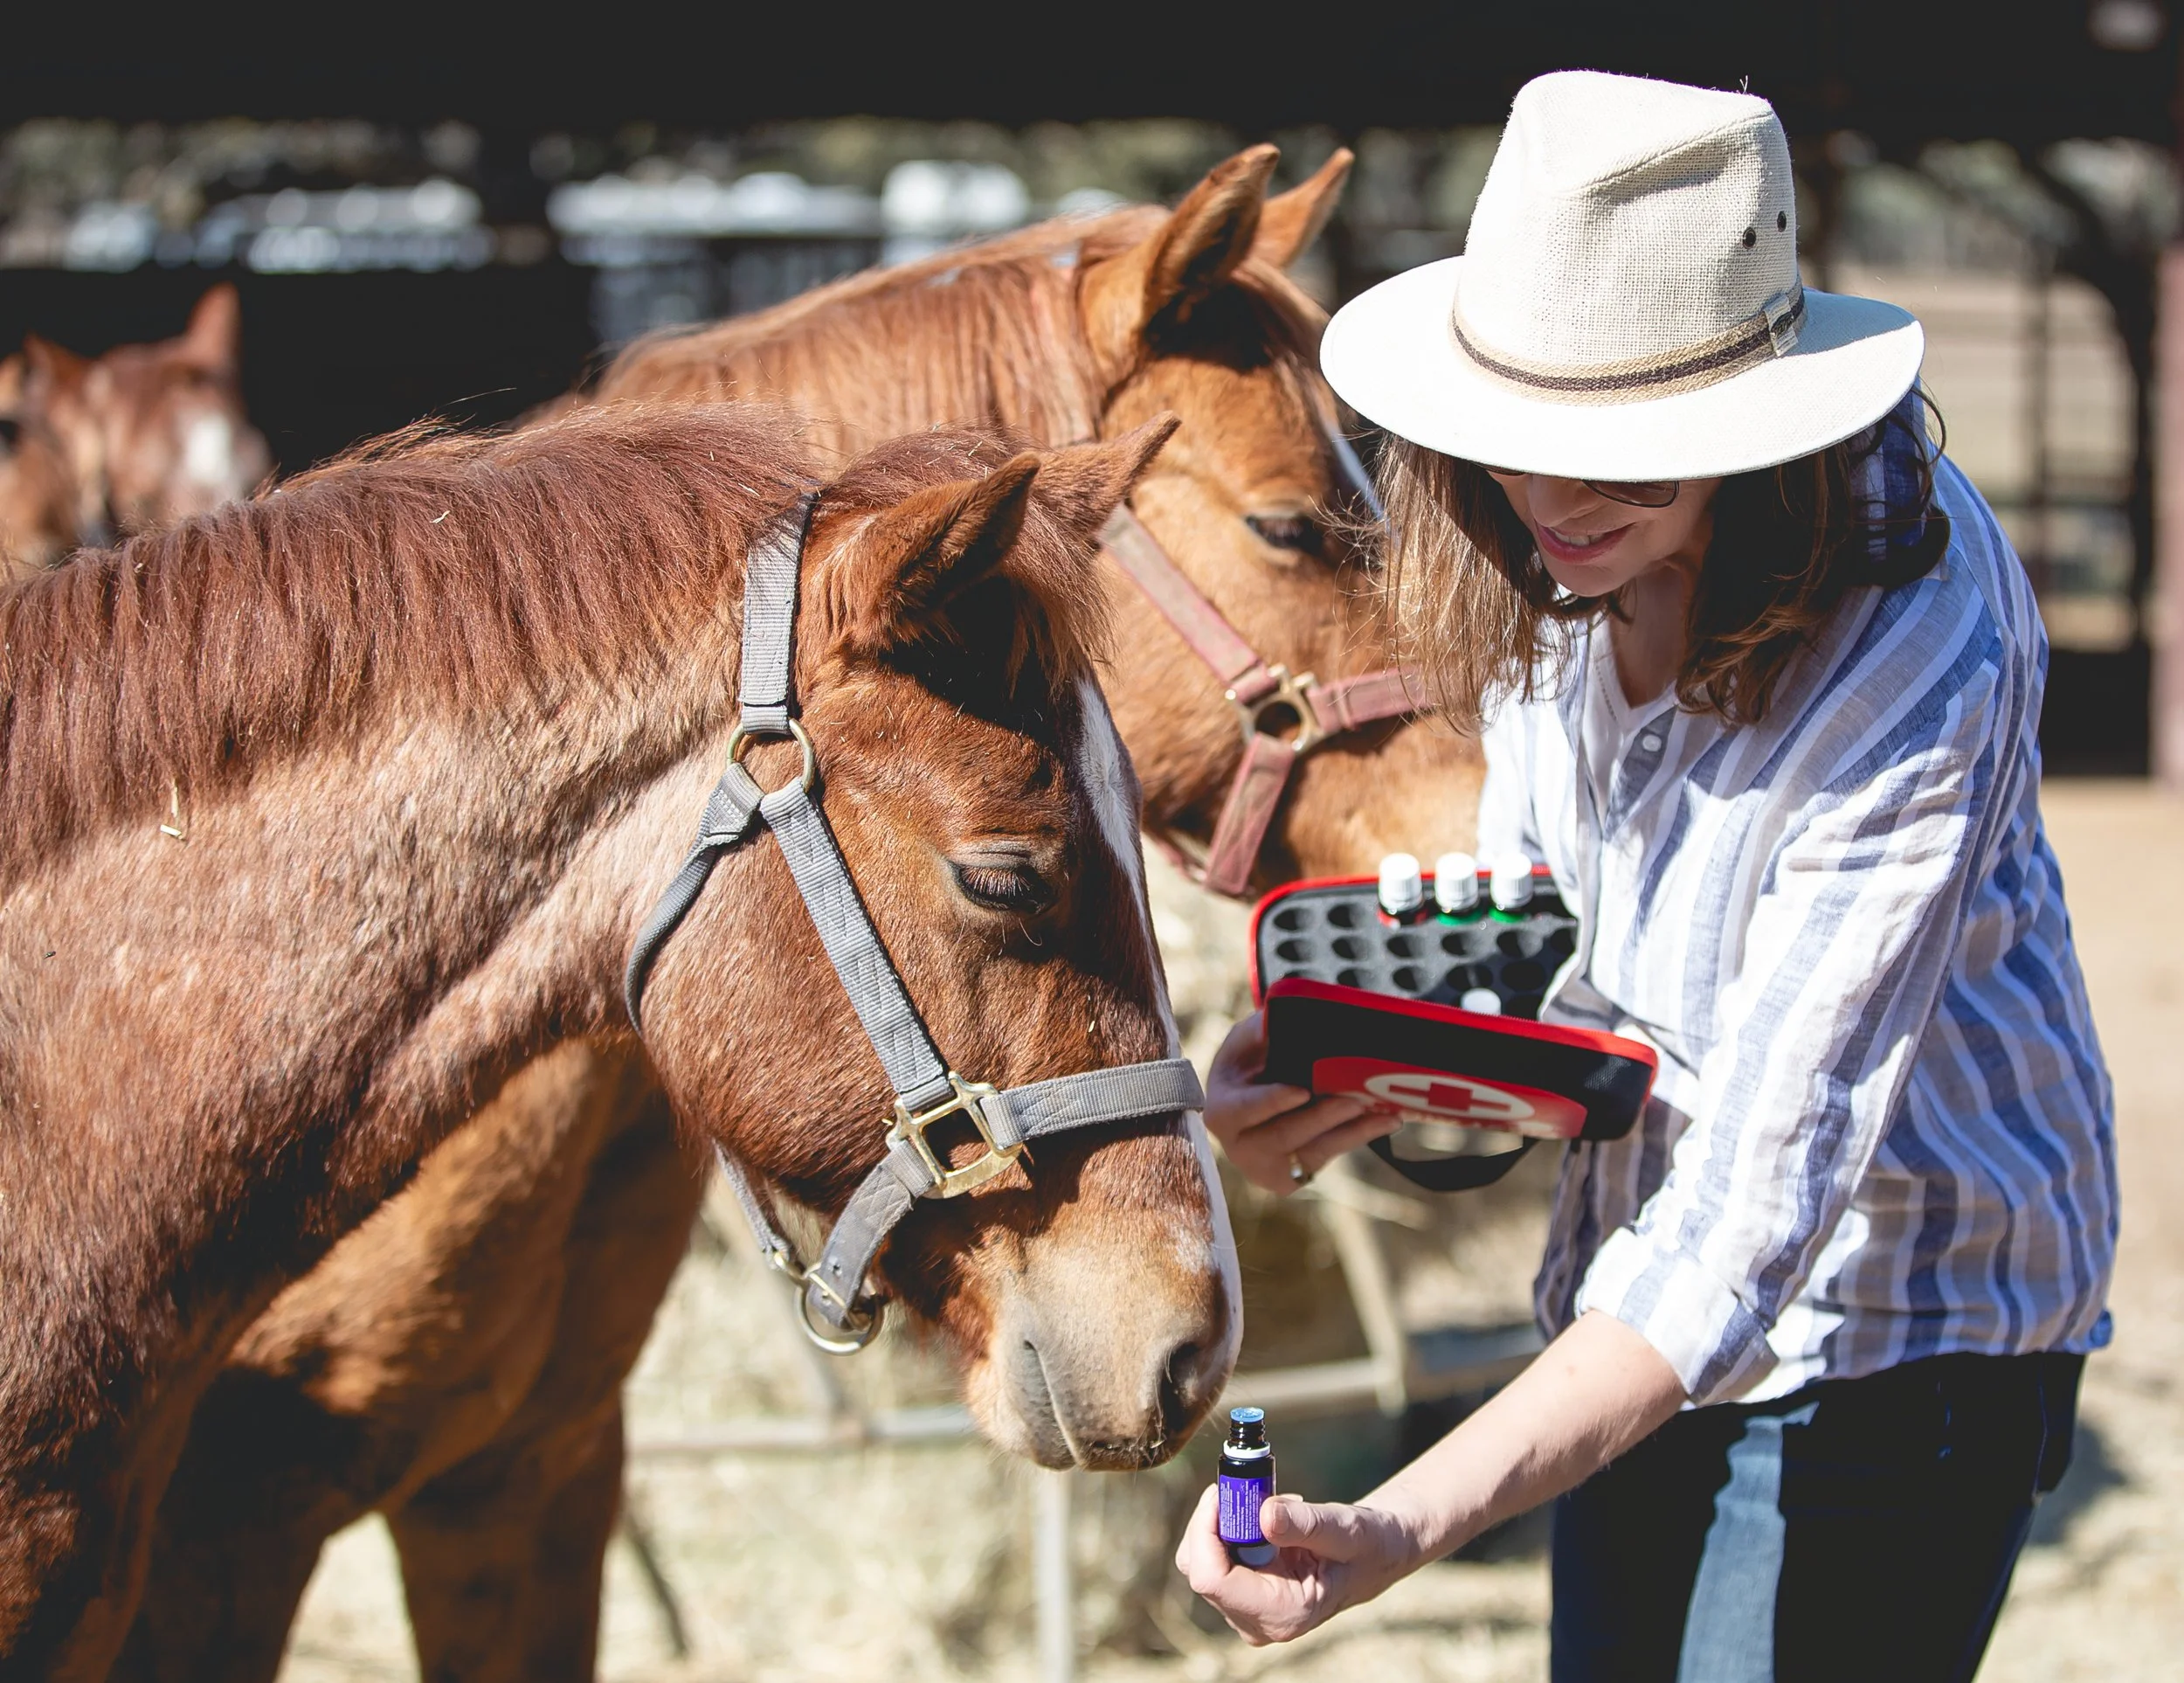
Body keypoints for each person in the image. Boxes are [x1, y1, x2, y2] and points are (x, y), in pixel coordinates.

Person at [1176, 71, 2116, 1683]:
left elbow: (1760, 1209)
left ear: (1758, 429)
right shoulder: (1539, 556)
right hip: (1631, 1296)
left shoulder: (1916, 644)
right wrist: (1378, 1071)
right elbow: (1562, 949)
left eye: (1629, 458)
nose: (1554, 506)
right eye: (1520, 443)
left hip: (1900, 1317)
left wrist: (1403, 1523)